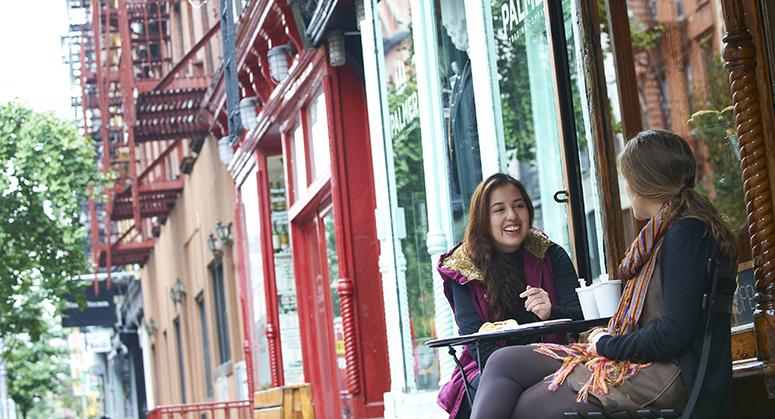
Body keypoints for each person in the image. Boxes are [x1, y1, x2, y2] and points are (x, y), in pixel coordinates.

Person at [470, 130, 737, 419]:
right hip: (642, 361)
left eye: (627, 179)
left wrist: (606, 344)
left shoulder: (685, 234)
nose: (627, 187)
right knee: (502, 362)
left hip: (662, 375)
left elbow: (673, 334)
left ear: (642, 183)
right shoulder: (670, 232)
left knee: (527, 408)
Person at [437, 173, 583, 418]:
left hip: (553, 358)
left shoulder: (551, 254)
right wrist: (518, 373)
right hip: (489, 369)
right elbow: (478, 345)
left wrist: (551, 312)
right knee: (506, 387)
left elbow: (580, 317)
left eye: (519, 206)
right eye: (499, 209)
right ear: (483, 219)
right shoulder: (462, 267)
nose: (512, 216)